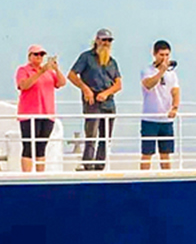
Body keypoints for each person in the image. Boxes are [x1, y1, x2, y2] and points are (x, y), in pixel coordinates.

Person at [67, 29, 122, 170]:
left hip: (108, 102)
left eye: (109, 40)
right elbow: (72, 75)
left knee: (105, 137)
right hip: (92, 102)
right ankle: (88, 165)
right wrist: (86, 89)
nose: (106, 43)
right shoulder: (86, 57)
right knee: (91, 135)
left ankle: (100, 166)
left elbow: (118, 84)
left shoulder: (112, 62)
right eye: (104, 40)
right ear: (97, 40)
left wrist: (106, 93)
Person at [15, 44, 66, 173]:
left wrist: (56, 69)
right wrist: (40, 72)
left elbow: (61, 83)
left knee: (41, 146)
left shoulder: (49, 72)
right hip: (29, 114)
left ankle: (40, 173)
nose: (39, 57)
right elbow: (24, 85)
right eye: (36, 54)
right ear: (29, 56)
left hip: (47, 114)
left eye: (41, 55)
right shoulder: (23, 70)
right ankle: (26, 174)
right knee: (28, 145)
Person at [140, 40, 180, 170]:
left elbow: (175, 91)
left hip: (166, 119)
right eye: (161, 55)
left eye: (167, 55)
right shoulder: (147, 70)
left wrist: (175, 107)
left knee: (165, 153)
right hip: (150, 119)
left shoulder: (172, 74)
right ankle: (143, 179)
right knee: (147, 153)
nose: (164, 58)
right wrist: (160, 72)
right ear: (155, 54)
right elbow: (148, 84)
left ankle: (166, 179)